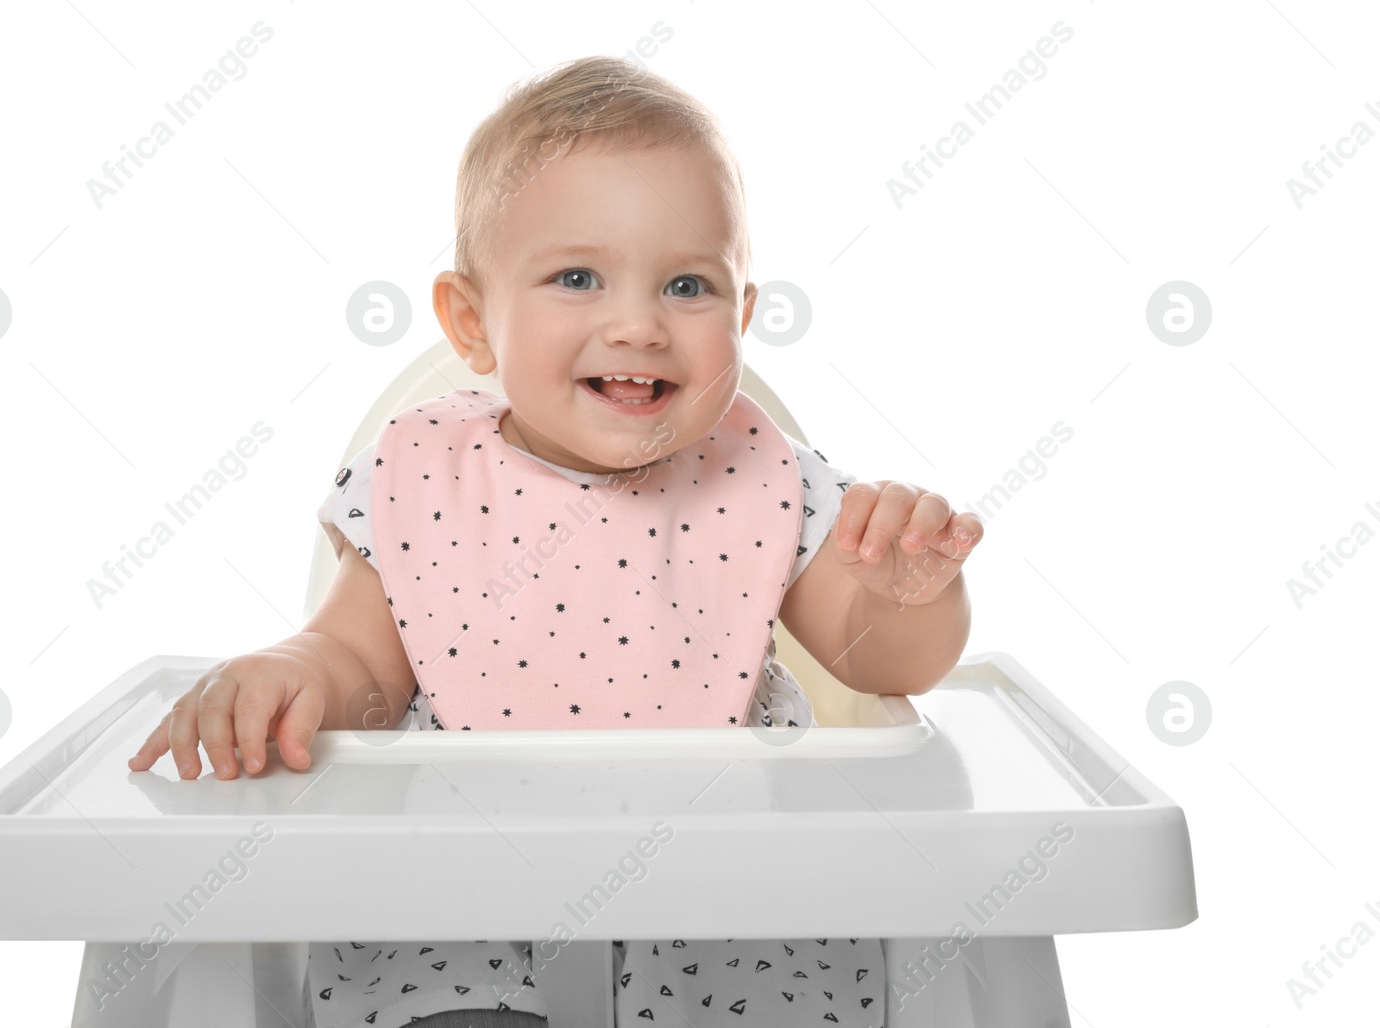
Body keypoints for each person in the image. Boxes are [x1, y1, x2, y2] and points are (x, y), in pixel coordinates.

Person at [129, 54, 982, 1028]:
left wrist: (906, 597)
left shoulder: (763, 475)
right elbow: (360, 662)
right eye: (577, 277)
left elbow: (883, 662)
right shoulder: (423, 470)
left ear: (742, 314)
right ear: (470, 320)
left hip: (727, 888)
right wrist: (289, 671)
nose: (637, 324)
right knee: (427, 957)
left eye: (688, 285)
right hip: (460, 873)